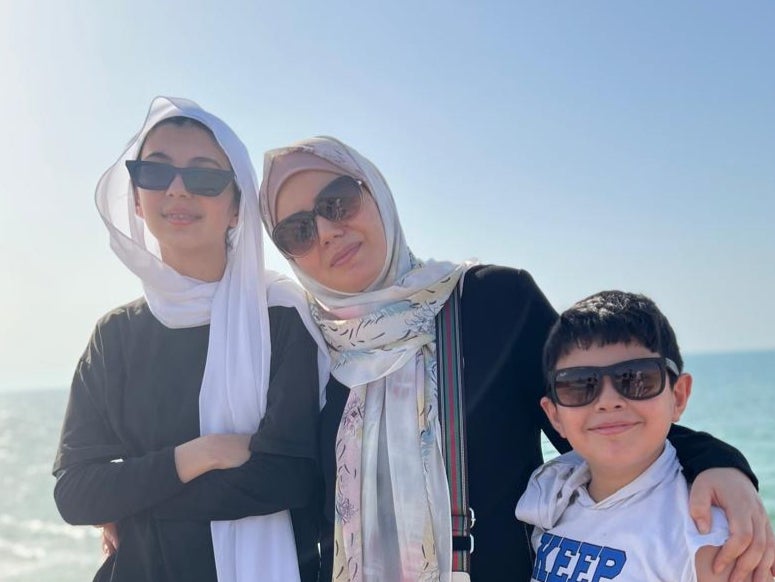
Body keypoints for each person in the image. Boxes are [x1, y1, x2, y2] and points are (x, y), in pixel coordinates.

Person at [257, 136, 774, 582]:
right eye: (297, 231)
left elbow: (597, 414)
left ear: (376, 192)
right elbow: (296, 500)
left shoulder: (492, 301)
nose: (327, 231)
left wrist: (718, 463)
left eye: (339, 202)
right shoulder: (305, 343)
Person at [53, 97, 327, 582]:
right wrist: (201, 454)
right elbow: (75, 493)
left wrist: (130, 497)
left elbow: (290, 478)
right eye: (156, 173)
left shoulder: (282, 316)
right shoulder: (114, 336)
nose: (177, 189)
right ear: (137, 199)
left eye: (203, 176)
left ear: (237, 206)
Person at [516, 290, 738, 581]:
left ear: (678, 396)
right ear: (555, 416)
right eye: (579, 385)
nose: (608, 401)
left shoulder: (704, 534)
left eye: (636, 378)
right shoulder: (549, 490)